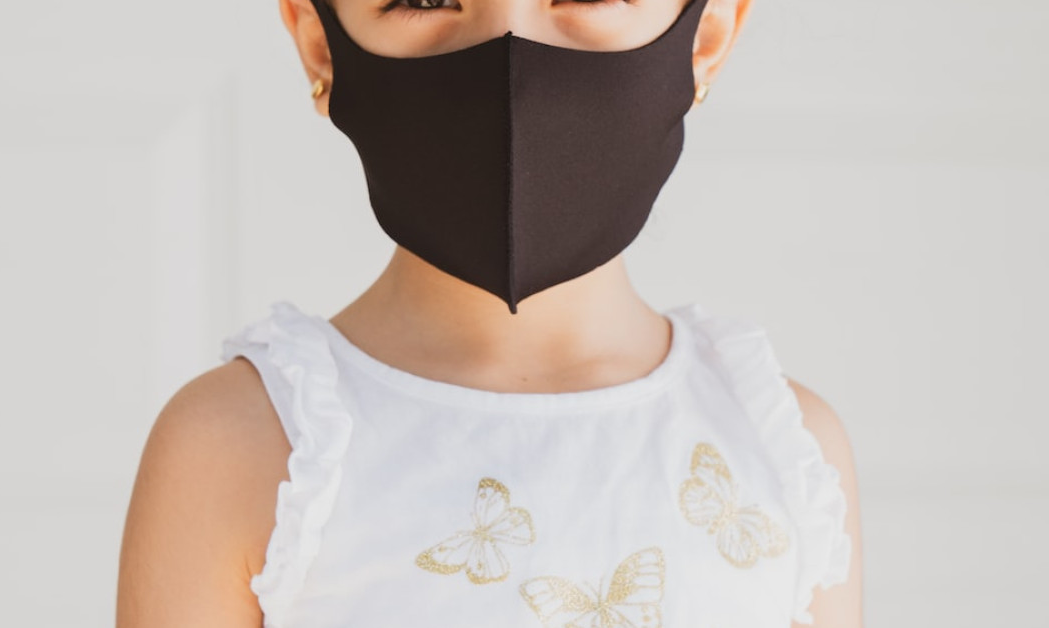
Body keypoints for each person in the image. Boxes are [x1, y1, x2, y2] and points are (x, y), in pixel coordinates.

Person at [116, 0, 863, 626]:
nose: (512, 55)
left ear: (706, 37)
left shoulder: (787, 453)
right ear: (320, 42)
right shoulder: (240, 451)